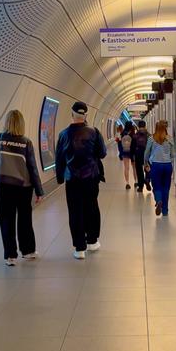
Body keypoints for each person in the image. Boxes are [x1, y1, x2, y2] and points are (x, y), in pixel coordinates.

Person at [0, 109, 44, 266]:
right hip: (23, 187)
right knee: (25, 219)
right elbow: (32, 168)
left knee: (6, 220)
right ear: (21, 124)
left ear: (7, 123)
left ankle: (10, 256)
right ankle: (28, 251)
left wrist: (0, 171)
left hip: (3, 186)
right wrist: (39, 191)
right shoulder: (26, 142)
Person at [55, 101, 107, 259]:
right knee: (91, 206)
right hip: (91, 177)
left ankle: (79, 248)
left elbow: (59, 159)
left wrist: (59, 178)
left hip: (72, 179)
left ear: (72, 114)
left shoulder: (63, 135)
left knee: (75, 211)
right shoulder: (94, 132)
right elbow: (103, 153)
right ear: (85, 115)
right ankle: (92, 241)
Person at [144, 121, 176, 216]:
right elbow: (173, 154)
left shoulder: (151, 139)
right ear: (165, 128)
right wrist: (169, 160)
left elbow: (146, 153)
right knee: (166, 188)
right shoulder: (170, 139)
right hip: (167, 166)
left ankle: (158, 200)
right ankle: (165, 210)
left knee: (156, 186)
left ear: (156, 128)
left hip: (156, 165)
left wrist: (146, 163)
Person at [132, 120, 151, 192]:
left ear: (138, 126)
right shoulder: (149, 135)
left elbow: (132, 147)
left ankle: (140, 186)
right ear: (145, 126)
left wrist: (132, 156)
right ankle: (147, 179)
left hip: (138, 154)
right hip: (147, 154)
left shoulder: (135, 135)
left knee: (139, 170)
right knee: (148, 168)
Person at [118, 121, 136, 190]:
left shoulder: (122, 133)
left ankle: (127, 183)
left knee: (126, 167)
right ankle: (136, 181)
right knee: (134, 167)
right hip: (132, 152)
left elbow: (120, 144)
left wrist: (121, 153)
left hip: (125, 151)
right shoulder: (133, 133)